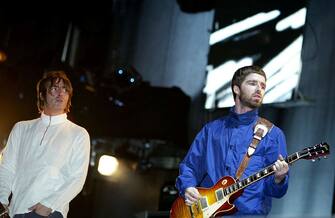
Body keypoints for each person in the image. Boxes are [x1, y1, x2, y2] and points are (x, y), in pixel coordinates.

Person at [175, 65, 289, 216]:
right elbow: (190, 166)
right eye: (252, 83)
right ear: (236, 89)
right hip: (207, 213)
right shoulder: (211, 130)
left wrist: (279, 178)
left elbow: (275, 191)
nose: (259, 89)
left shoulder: (273, 135)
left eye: (263, 85)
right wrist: (188, 187)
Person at [0, 70, 91, 218]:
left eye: (65, 90)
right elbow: (7, 166)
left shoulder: (78, 133)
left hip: (50, 212)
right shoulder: (22, 128)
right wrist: (2, 199)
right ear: (42, 95)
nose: (60, 93)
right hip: (15, 210)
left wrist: (49, 204)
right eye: (54, 89)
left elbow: (77, 177)